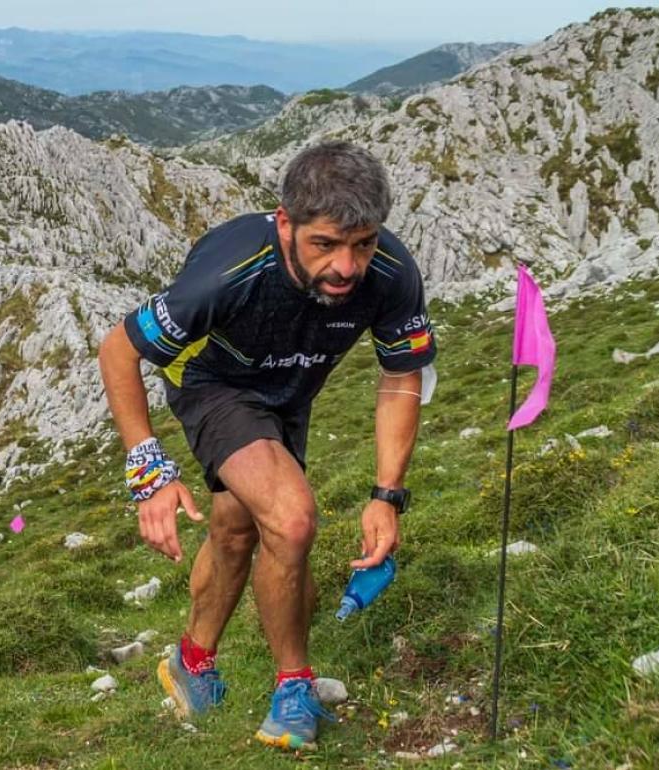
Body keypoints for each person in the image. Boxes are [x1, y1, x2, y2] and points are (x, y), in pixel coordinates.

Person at [98, 141, 436, 751]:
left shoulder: (391, 273)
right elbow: (118, 351)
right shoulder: (230, 273)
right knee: (291, 519)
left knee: (236, 527)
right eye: (325, 245)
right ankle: (292, 690)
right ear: (286, 222)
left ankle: (192, 663)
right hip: (213, 385)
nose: (346, 267)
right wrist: (148, 467)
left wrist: (386, 495)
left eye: (362, 244)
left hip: (288, 393)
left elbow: (401, 377)